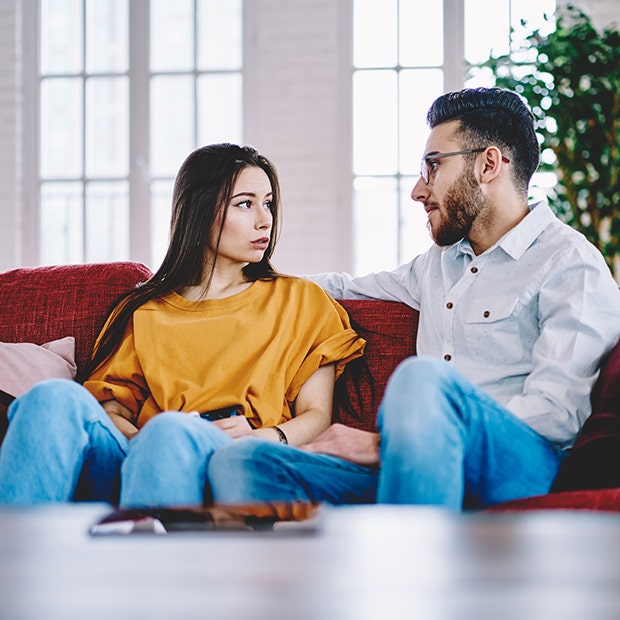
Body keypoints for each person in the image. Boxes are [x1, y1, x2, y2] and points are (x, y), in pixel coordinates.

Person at [207, 87, 620, 510]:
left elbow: (558, 416)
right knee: (243, 462)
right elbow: (342, 287)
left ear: (488, 164)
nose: (419, 191)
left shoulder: (569, 263)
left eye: (432, 166)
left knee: (422, 380)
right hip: (412, 463)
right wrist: (225, 280)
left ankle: (411, 568)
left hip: (521, 465)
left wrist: (392, 442)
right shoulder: (440, 264)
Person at [0, 143, 365, 506]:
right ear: (200, 211)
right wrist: (142, 439)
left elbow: (317, 415)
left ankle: (148, 556)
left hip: (228, 455)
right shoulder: (146, 311)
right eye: (245, 203)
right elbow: (113, 410)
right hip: (137, 455)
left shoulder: (301, 300)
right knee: (49, 397)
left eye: (267, 202)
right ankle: (18, 554)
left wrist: (266, 436)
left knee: (170, 429)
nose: (264, 219)